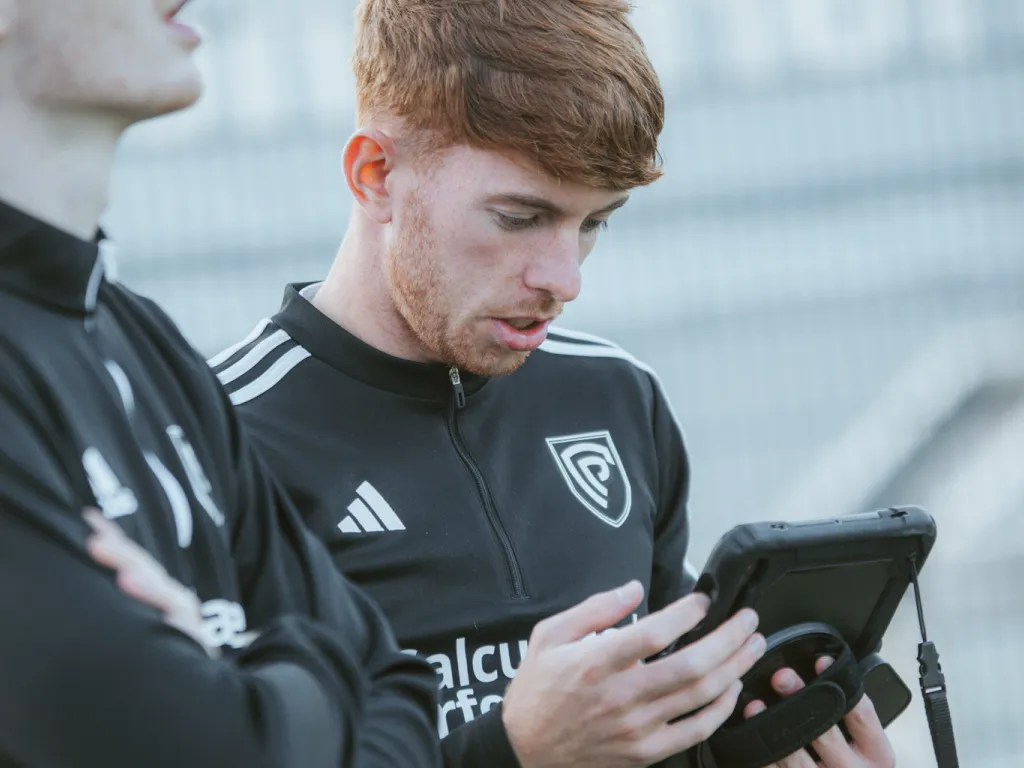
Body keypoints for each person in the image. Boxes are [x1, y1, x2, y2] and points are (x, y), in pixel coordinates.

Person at [210, 1, 897, 766]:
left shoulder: (615, 395)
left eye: (595, 222)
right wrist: (512, 752)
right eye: (519, 217)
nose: (564, 278)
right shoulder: (212, 442)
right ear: (375, 175)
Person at [0, 1, 441, 766]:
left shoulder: (145, 342)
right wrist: (295, 666)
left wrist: (231, 684)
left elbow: (399, 688)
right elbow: (214, 749)